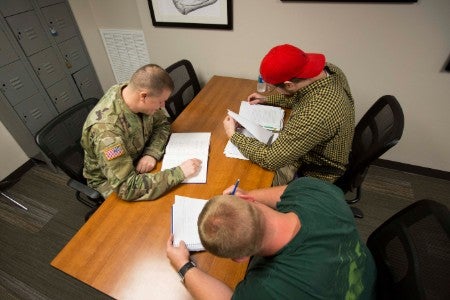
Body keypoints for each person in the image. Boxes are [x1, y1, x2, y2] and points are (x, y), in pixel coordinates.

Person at [166, 177, 376, 300]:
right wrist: (250, 196)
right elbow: (288, 192)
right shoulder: (314, 191)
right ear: (249, 199)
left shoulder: (267, 288)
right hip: (369, 278)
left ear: (241, 258)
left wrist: (183, 266)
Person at [223, 44, 355, 186]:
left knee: (246, 181)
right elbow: (302, 96)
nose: (272, 90)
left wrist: (234, 135)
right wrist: (267, 99)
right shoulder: (329, 71)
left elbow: (271, 159)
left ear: (289, 85)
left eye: (273, 87)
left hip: (316, 171)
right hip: (316, 150)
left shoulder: (315, 112)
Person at [81, 64, 201, 201]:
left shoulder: (134, 94)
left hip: (137, 159)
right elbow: (127, 188)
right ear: (143, 96)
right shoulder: (107, 132)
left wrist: (152, 153)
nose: (163, 106)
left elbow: (162, 124)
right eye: (161, 102)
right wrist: (180, 173)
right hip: (110, 181)